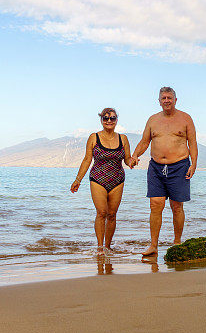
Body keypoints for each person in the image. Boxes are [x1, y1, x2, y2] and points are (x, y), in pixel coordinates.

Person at [131, 86, 197, 257]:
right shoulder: (153, 120)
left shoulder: (186, 118)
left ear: (176, 100)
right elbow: (145, 141)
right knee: (155, 205)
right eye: (163, 98)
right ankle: (153, 245)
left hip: (180, 166)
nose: (166, 100)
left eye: (169, 97)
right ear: (159, 101)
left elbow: (193, 142)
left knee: (177, 207)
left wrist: (194, 164)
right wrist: (135, 155)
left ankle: (176, 242)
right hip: (156, 167)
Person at [71, 108, 133, 254]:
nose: (109, 121)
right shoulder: (94, 137)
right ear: (101, 120)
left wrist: (132, 161)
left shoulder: (123, 138)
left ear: (116, 120)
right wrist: (77, 179)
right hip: (98, 178)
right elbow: (87, 159)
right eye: (106, 118)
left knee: (112, 214)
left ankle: (108, 246)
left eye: (112, 118)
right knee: (101, 212)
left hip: (117, 179)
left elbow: (127, 158)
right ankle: (100, 247)